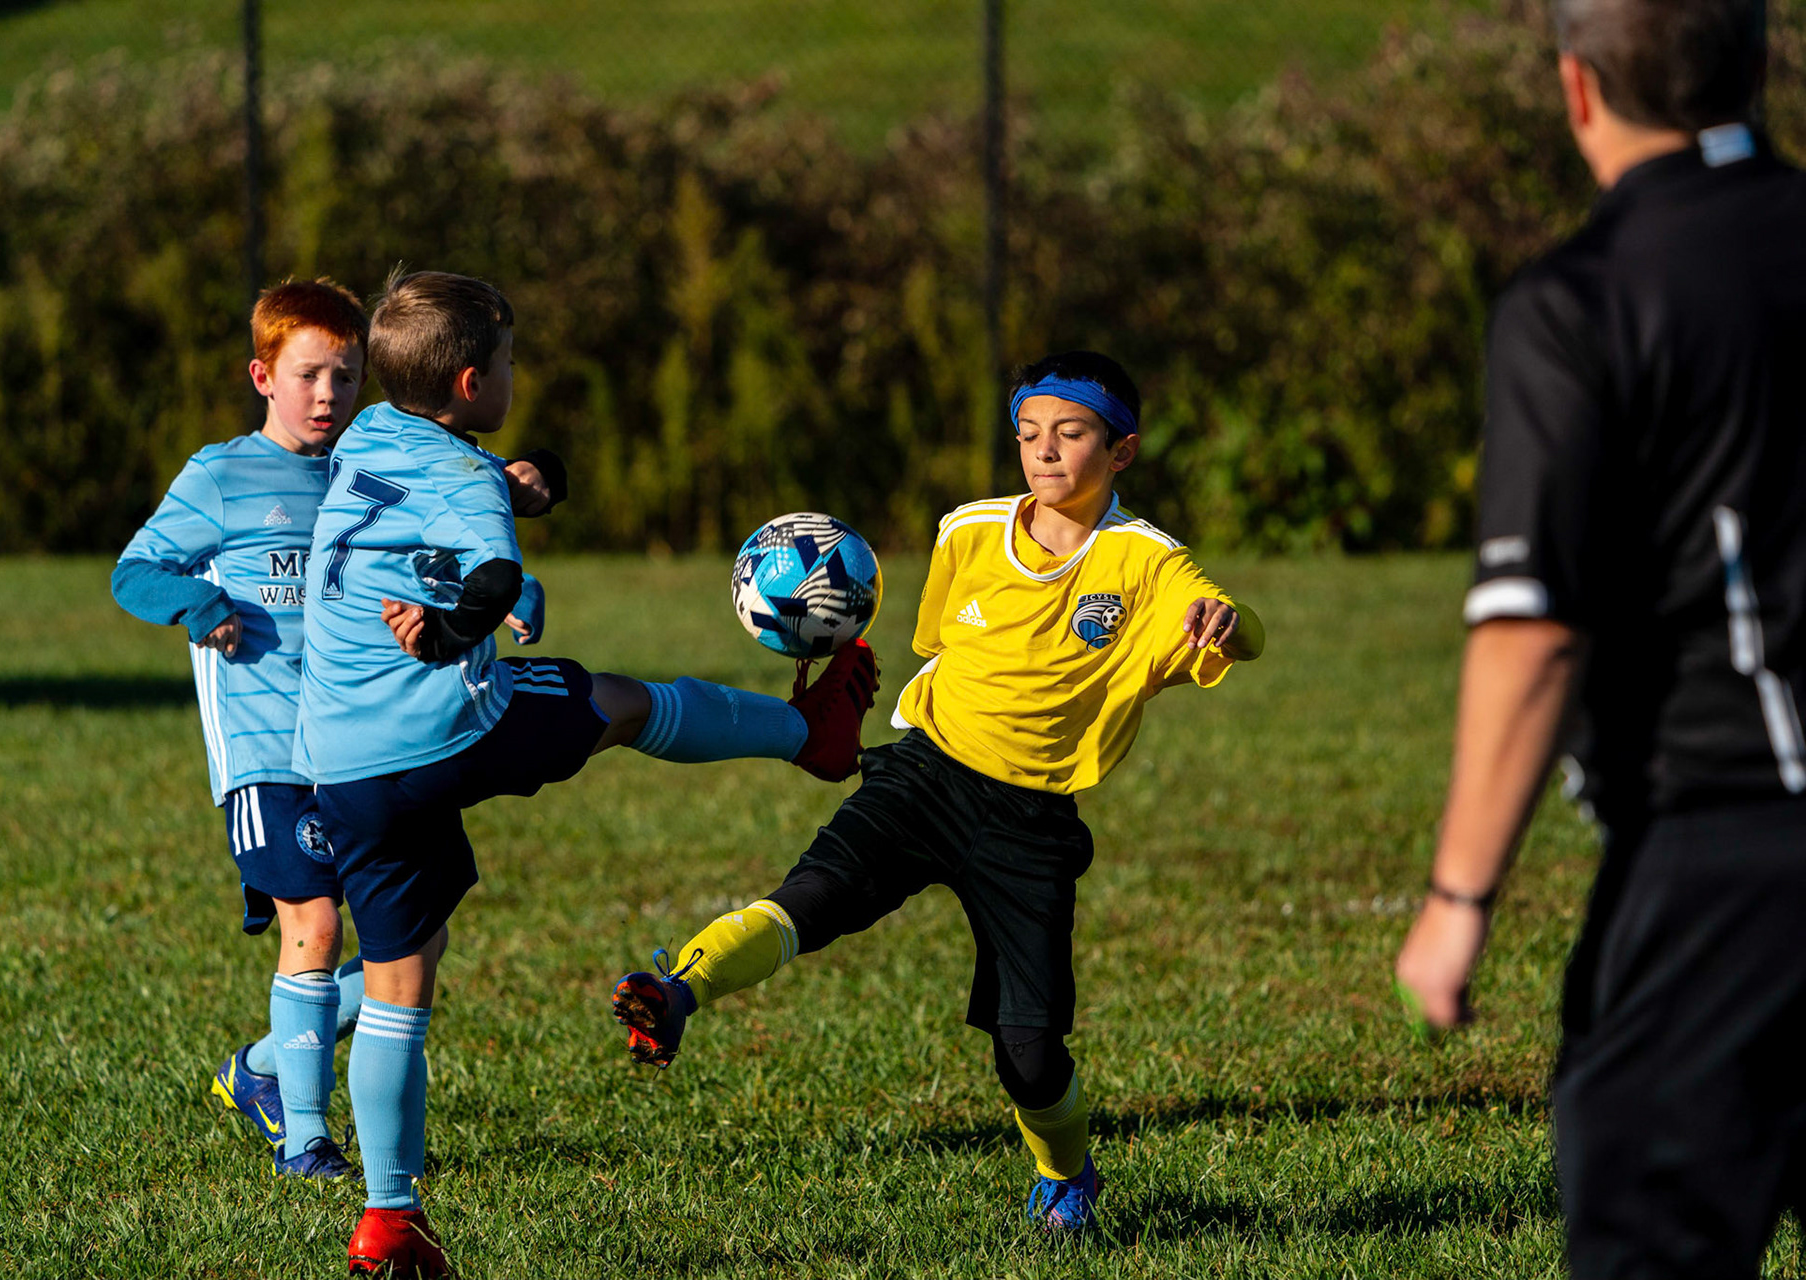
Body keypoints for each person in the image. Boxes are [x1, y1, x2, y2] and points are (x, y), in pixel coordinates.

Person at [295, 269, 879, 1277]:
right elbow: (491, 573)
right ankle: (806, 735)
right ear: (475, 380)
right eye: (511, 362)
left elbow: (449, 510)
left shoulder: (367, 440)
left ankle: (388, 1218)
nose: (519, 373)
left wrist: (522, 486)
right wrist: (454, 628)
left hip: (340, 756)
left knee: (400, 975)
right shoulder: (468, 486)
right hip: (445, 725)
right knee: (620, 704)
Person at [612, 350, 1265, 1233]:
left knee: (1028, 1052)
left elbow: (1237, 623)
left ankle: (1065, 1174)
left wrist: (1228, 621)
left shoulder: (1144, 562)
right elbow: (936, 644)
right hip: (924, 773)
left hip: (1030, 821)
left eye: (1071, 435)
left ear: (1123, 452)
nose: (1045, 452)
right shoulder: (968, 531)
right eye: (1030, 434)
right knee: (808, 899)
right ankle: (675, 992)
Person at [1391, 1, 1806, 1274]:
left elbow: (1533, 631)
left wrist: (1461, 897)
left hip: (1734, 858)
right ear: (1759, 65)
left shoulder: (1582, 299)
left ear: (1578, 88)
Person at [112, 278, 374, 1179]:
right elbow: (134, 572)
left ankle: (260, 1070)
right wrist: (199, 601)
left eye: (345, 377)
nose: (327, 396)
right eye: (308, 376)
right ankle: (306, 1137)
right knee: (316, 920)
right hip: (265, 751)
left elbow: (445, 548)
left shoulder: (367, 474)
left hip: (364, 744)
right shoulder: (221, 475)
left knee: (409, 945)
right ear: (262, 376)